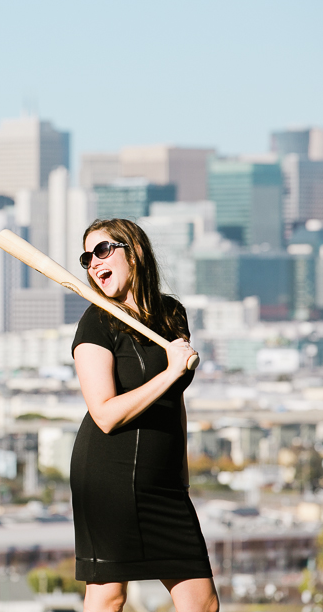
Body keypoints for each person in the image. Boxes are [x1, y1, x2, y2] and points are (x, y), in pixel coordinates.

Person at [70, 218, 218, 612]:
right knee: (108, 597)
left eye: (103, 250)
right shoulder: (96, 323)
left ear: (133, 252)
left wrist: (181, 475)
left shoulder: (172, 315)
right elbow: (104, 414)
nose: (93, 263)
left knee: (201, 603)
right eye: (87, 257)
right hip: (108, 479)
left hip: (164, 484)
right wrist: (171, 369)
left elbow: (173, 404)